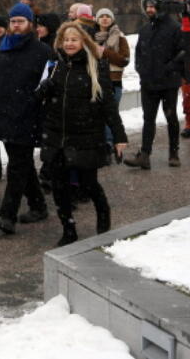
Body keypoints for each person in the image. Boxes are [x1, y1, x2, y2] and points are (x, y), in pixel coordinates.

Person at [38, 22, 128, 246]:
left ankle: (103, 220)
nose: (69, 43)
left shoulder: (96, 67)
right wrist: (44, 89)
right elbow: (41, 101)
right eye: (66, 39)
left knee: (89, 184)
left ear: (83, 42)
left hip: (86, 136)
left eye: (74, 39)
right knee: (59, 187)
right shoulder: (57, 66)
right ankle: (68, 228)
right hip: (58, 136)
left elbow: (108, 106)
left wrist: (119, 136)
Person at [0, 3, 52, 234]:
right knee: (22, 165)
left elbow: (48, 87)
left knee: (16, 167)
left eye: (20, 21)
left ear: (30, 24)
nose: (15, 25)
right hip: (5, 116)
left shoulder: (43, 52)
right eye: (13, 21)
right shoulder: (2, 50)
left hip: (28, 118)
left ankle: (7, 216)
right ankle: (38, 205)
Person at [124, 0, 184, 170]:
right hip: (148, 82)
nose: (149, 9)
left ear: (160, 7)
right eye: (147, 6)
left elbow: (182, 53)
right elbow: (139, 53)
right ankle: (145, 154)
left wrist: (167, 69)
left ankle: (174, 153)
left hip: (168, 83)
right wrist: (140, 69)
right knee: (148, 119)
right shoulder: (145, 29)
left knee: (171, 117)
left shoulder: (174, 28)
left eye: (152, 6)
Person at [94, 8, 130, 144]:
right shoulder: (92, 36)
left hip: (114, 82)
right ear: (97, 19)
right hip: (95, 82)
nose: (104, 18)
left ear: (112, 19)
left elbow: (124, 60)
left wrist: (105, 53)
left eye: (107, 16)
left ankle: (109, 145)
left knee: (111, 115)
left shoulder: (119, 37)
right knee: (97, 115)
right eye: (101, 16)